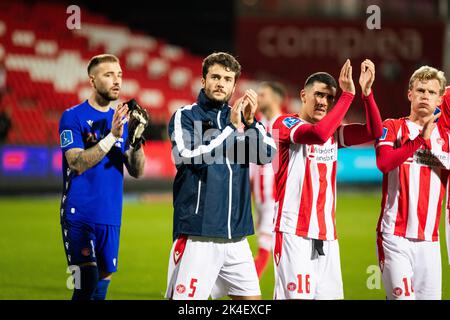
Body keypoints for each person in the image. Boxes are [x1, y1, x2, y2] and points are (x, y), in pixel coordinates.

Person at [166, 52, 276, 300]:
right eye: (215, 77)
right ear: (203, 80)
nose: (220, 83)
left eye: (227, 79)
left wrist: (250, 123)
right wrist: (230, 129)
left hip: (236, 238)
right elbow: (187, 156)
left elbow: (267, 154)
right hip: (198, 236)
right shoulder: (186, 116)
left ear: (234, 86)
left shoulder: (238, 119)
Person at [271, 59, 383, 299]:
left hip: (327, 236)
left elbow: (374, 132)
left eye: (330, 98)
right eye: (319, 95)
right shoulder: (284, 124)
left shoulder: (333, 134)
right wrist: (347, 96)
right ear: (303, 95)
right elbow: (318, 134)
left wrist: (367, 93)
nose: (323, 102)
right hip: (293, 232)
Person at [58, 54, 146, 300]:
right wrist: (111, 136)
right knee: (85, 283)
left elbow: (137, 172)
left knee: (100, 289)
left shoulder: (123, 120)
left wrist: (137, 142)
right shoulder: (72, 116)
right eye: (108, 75)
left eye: (119, 75)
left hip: (110, 215)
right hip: (79, 214)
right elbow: (76, 162)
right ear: (92, 80)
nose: (116, 80)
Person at [375, 66, 448, 300]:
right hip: (395, 236)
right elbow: (385, 163)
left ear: (440, 98)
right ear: (410, 94)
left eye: (431, 92)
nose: (425, 95)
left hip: (430, 240)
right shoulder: (392, 127)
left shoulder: (446, 139)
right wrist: (419, 140)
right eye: (420, 90)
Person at [250, 81, 284, 278]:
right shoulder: (259, 125)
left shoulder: (285, 125)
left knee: (266, 244)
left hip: (276, 198)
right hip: (260, 197)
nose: (259, 98)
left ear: (275, 99)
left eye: (263, 94)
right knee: (264, 242)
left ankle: (247, 288)